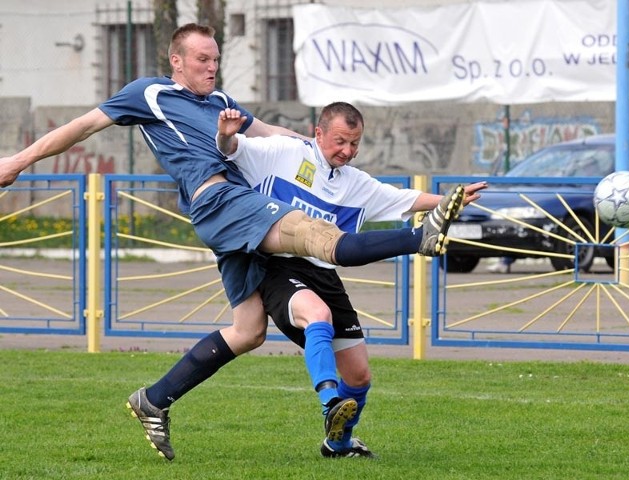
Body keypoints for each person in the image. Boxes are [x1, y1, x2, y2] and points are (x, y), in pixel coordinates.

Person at [0, 24, 465, 461]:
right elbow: (82, 126)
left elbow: (267, 133)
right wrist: (19, 161)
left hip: (236, 214)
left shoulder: (221, 99)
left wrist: (316, 147)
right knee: (314, 234)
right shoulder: (150, 93)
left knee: (248, 331)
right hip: (220, 200)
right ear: (176, 61)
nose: (211, 67)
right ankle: (418, 239)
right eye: (202, 59)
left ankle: (154, 399)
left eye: (216, 59)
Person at [216, 102, 487, 458]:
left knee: (359, 377)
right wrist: (224, 135)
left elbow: (403, 198)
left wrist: (450, 200)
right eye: (340, 141)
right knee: (317, 314)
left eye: (354, 144)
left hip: (324, 274)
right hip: (276, 267)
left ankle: (338, 443)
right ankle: (330, 402)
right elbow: (234, 150)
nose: (347, 151)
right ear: (318, 132)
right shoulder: (283, 153)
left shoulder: (356, 184)